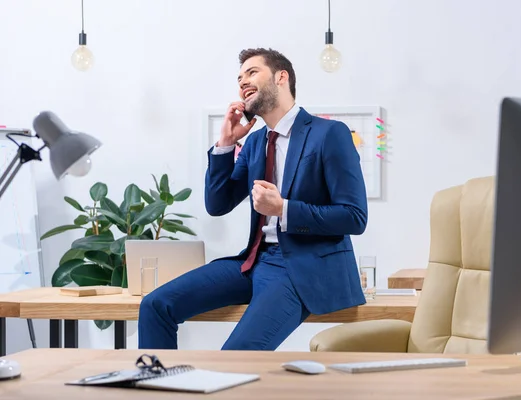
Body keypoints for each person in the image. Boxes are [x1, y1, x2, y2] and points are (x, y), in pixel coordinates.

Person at [138, 48, 368, 351]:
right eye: (239, 78)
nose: (242, 81)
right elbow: (217, 204)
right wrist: (225, 144)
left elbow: (354, 216)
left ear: (281, 77)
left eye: (252, 72)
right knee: (155, 305)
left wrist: (283, 209)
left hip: (300, 268)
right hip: (253, 261)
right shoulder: (257, 141)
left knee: (234, 356)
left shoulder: (329, 133)